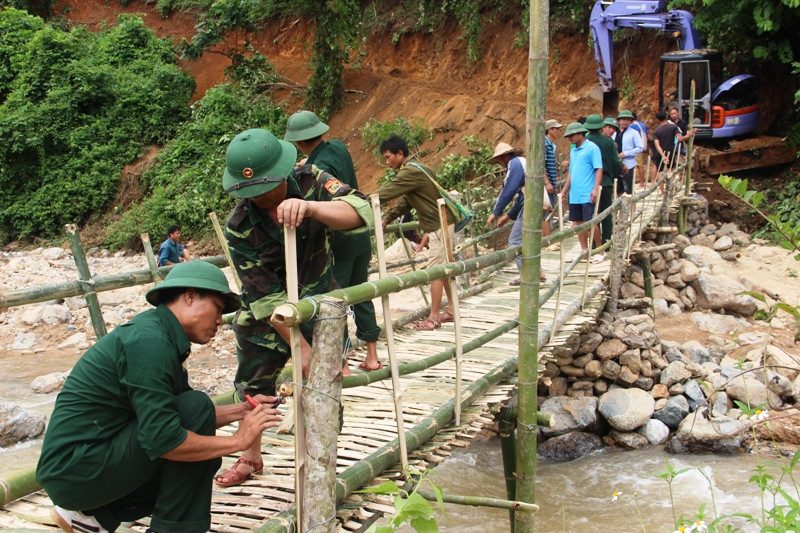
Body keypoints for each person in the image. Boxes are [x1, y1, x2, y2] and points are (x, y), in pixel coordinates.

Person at [36, 261, 283, 533]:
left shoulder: (159, 334)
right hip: (74, 470)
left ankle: (93, 516)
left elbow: (185, 416)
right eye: (218, 308)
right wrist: (239, 440)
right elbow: (165, 439)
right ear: (190, 296)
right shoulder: (149, 341)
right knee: (196, 424)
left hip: (82, 466)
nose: (218, 321)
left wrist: (243, 411)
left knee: (202, 437)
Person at [218, 128, 371, 487]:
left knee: (323, 388)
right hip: (266, 318)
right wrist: (298, 345)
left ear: (283, 173)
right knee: (253, 388)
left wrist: (312, 207)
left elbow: (361, 211)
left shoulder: (312, 180)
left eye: (264, 189)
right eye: (248, 192)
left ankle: (321, 464)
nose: (257, 198)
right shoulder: (240, 226)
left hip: (320, 308)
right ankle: (250, 457)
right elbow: (264, 295)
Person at [284, 110, 382, 373]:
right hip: (360, 235)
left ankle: (343, 363)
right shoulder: (337, 147)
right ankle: (372, 356)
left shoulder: (320, 169)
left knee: (333, 301)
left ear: (296, 142)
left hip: (339, 242)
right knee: (362, 293)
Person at [374, 134, 455, 331]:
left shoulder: (409, 173)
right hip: (442, 222)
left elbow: (387, 192)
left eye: (388, 157)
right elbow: (406, 202)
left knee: (434, 271)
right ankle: (452, 309)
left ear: (400, 154)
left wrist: (362, 200)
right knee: (444, 269)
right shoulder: (420, 168)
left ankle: (434, 317)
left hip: (437, 225)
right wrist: (388, 218)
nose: (386, 162)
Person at [486, 142, 548, 284]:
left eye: (500, 160)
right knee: (527, 240)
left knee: (515, 240)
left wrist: (496, 212)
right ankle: (538, 272)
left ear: (505, 156)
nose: (500, 163)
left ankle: (527, 275)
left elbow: (509, 189)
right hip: (536, 202)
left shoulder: (514, 164)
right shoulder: (521, 163)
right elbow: (521, 197)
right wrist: (508, 216)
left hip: (533, 204)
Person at [560, 122, 604, 264]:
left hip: (587, 191)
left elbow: (598, 169)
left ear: (580, 133)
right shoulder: (574, 151)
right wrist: (565, 191)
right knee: (578, 222)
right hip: (575, 194)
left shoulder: (592, 148)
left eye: (572, 135)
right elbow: (571, 173)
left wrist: (595, 188)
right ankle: (584, 250)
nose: (570, 138)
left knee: (590, 221)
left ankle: (600, 250)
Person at [584, 114, 621, 252]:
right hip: (605, 181)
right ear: (601, 127)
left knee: (592, 214)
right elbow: (615, 162)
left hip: (588, 182)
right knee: (606, 213)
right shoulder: (609, 142)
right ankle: (606, 240)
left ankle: (594, 242)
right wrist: (616, 174)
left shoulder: (584, 141)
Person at [617, 109, 645, 195]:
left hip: (628, 164)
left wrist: (625, 154)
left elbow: (640, 147)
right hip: (616, 164)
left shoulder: (634, 133)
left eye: (628, 120)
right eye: (623, 119)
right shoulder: (614, 132)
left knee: (629, 189)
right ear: (619, 120)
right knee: (618, 189)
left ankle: (631, 208)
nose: (625, 122)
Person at [544, 119, 562, 210]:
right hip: (547, 185)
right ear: (549, 130)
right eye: (556, 129)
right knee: (547, 211)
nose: (558, 132)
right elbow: (542, 165)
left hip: (551, 183)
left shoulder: (551, 145)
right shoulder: (545, 144)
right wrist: (547, 183)